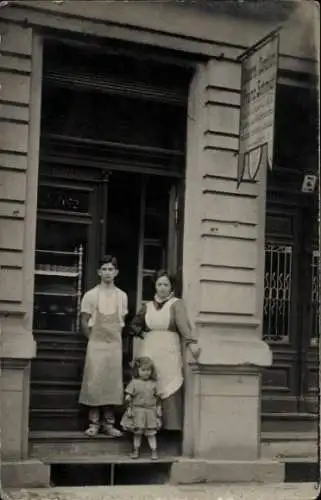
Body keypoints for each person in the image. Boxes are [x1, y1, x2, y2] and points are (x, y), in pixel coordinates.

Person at [128, 270, 201, 431]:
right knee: (149, 380)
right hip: (150, 346)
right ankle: (145, 424)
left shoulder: (176, 304)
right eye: (159, 284)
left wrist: (191, 343)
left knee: (168, 380)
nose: (162, 288)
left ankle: (169, 425)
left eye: (165, 285)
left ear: (171, 287)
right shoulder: (146, 306)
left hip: (169, 347)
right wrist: (144, 333)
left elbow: (183, 326)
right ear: (155, 286)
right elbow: (133, 325)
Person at [79, 255, 128, 437]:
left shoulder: (122, 296)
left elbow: (121, 322)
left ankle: (109, 424)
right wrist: (92, 340)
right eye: (104, 269)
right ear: (99, 272)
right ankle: (94, 423)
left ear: (116, 272)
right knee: (95, 383)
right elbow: (84, 321)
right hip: (96, 345)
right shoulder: (91, 295)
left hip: (114, 346)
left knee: (111, 385)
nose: (108, 272)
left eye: (111, 269)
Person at [120, 356, 162, 460]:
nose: (146, 372)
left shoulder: (154, 384)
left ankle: (154, 452)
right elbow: (128, 398)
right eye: (143, 370)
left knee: (151, 433)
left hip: (150, 412)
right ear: (137, 370)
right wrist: (128, 408)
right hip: (137, 412)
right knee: (137, 433)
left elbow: (158, 398)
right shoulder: (134, 383)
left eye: (148, 370)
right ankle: (136, 451)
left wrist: (158, 409)